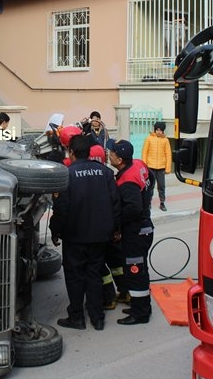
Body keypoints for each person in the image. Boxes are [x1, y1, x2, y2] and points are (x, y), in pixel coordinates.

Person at [50, 135, 120, 331]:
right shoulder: (105, 173)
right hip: (100, 236)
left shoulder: (67, 174)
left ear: (71, 152)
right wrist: (116, 229)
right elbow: (116, 204)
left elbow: (61, 209)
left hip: (75, 236)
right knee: (94, 274)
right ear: (89, 152)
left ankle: (77, 317)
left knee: (74, 276)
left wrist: (55, 232)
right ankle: (97, 318)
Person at [108, 140, 155, 325]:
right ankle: (140, 305)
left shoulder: (127, 181)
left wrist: (117, 222)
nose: (108, 156)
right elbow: (150, 179)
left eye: (111, 154)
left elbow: (133, 208)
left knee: (135, 271)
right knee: (140, 270)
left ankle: (140, 313)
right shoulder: (138, 164)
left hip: (136, 232)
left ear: (119, 159)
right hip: (144, 227)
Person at [141, 121, 172, 210]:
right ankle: (148, 202)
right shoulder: (149, 139)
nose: (159, 132)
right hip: (150, 166)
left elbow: (168, 154)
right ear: (155, 130)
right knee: (150, 186)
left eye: (160, 130)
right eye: (157, 130)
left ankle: (162, 203)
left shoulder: (166, 140)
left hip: (161, 167)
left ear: (163, 131)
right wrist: (144, 166)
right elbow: (144, 153)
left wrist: (168, 168)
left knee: (161, 186)